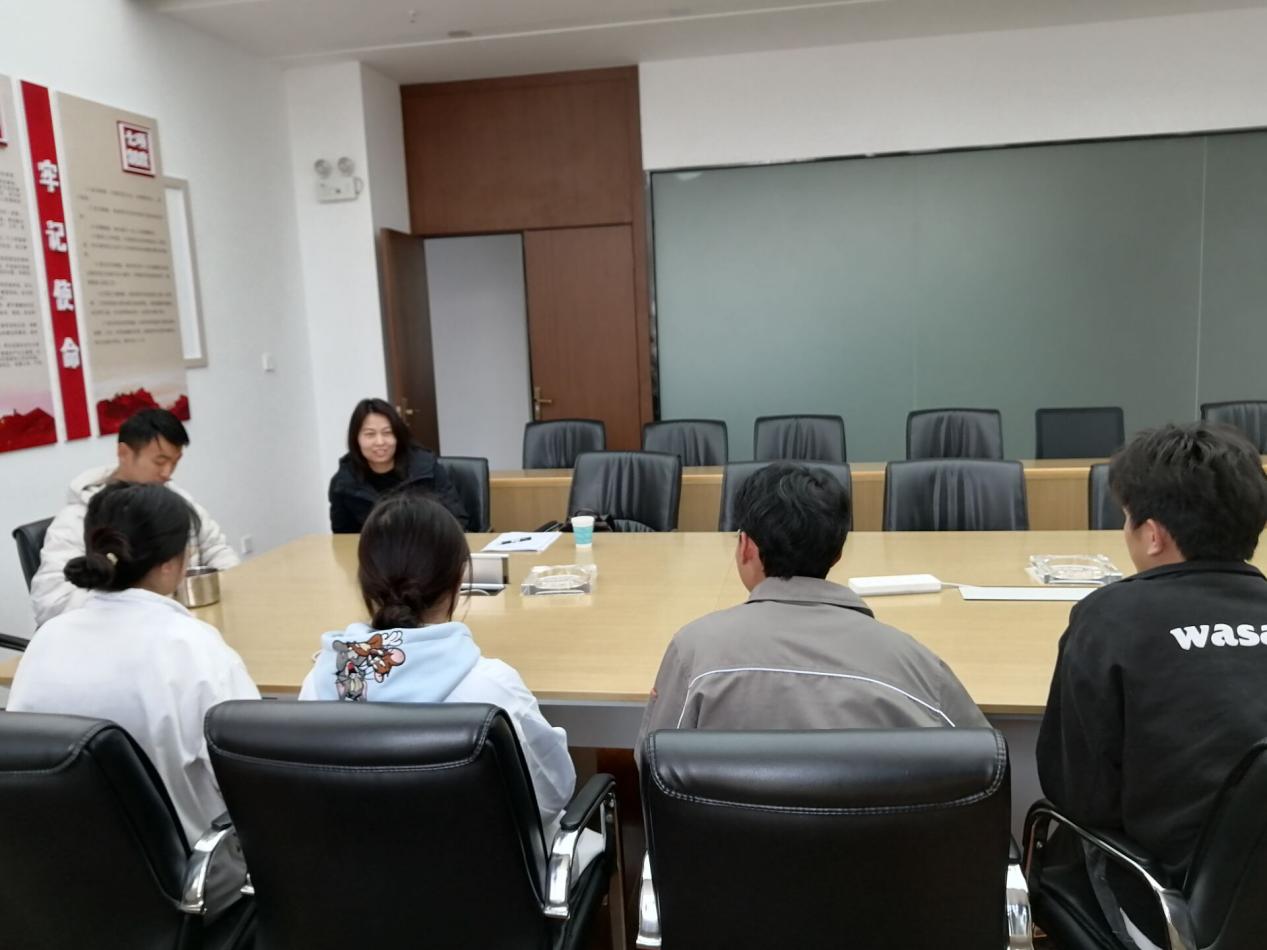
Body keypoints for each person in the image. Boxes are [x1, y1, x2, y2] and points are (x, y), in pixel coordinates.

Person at [1037, 422, 1267, 950]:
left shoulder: (1108, 618)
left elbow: (1078, 794)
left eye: (1126, 517)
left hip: (1174, 909)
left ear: (1153, 534)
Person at [636, 463, 988, 759]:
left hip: (728, 825)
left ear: (745, 547)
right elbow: (984, 762)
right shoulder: (917, 666)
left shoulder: (693, 651)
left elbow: (653, 766)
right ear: (837, 554)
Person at [299, 493, 578, 849]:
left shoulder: (319, 685)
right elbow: (553, 793)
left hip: (354, 873)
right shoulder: (491, 689)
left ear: (365, 582)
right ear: (459, 578)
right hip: (481, 875)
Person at [7, 482, 260, 846]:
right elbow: (253, 777)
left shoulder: (46, 641)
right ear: (171, 564)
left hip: (62, 863)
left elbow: (20, 767)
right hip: (194, 868)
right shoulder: (194, 648)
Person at [31, 409, 239, 628]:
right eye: (160, 461)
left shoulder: (177, 501)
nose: (167, 473)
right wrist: (137, 607)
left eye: (175, 462)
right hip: (119, 634)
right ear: (124, 453)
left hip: (186, 625)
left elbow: (218, 550)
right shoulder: (76, 520)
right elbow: (51, 603)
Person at [328, 397, 468, 533]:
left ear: (398, 435)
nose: (380, 442)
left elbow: (457, 519)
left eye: (387, 433)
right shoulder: (344, 482)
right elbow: (342, 537)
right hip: (375, 548)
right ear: (356, 439)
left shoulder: (426, 468)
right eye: (370, 434)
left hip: (426, 544)